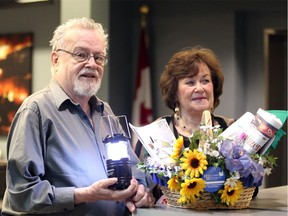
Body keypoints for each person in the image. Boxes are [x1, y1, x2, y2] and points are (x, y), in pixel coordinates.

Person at [1, 17, 155, 216]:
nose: (92, 64)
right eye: (81, 55)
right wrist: (84, 195)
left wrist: (140, 189)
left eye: (99, 57)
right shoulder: (35, 111)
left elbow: (135, 170)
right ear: (56, 59)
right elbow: (21, 194)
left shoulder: (105, 111)